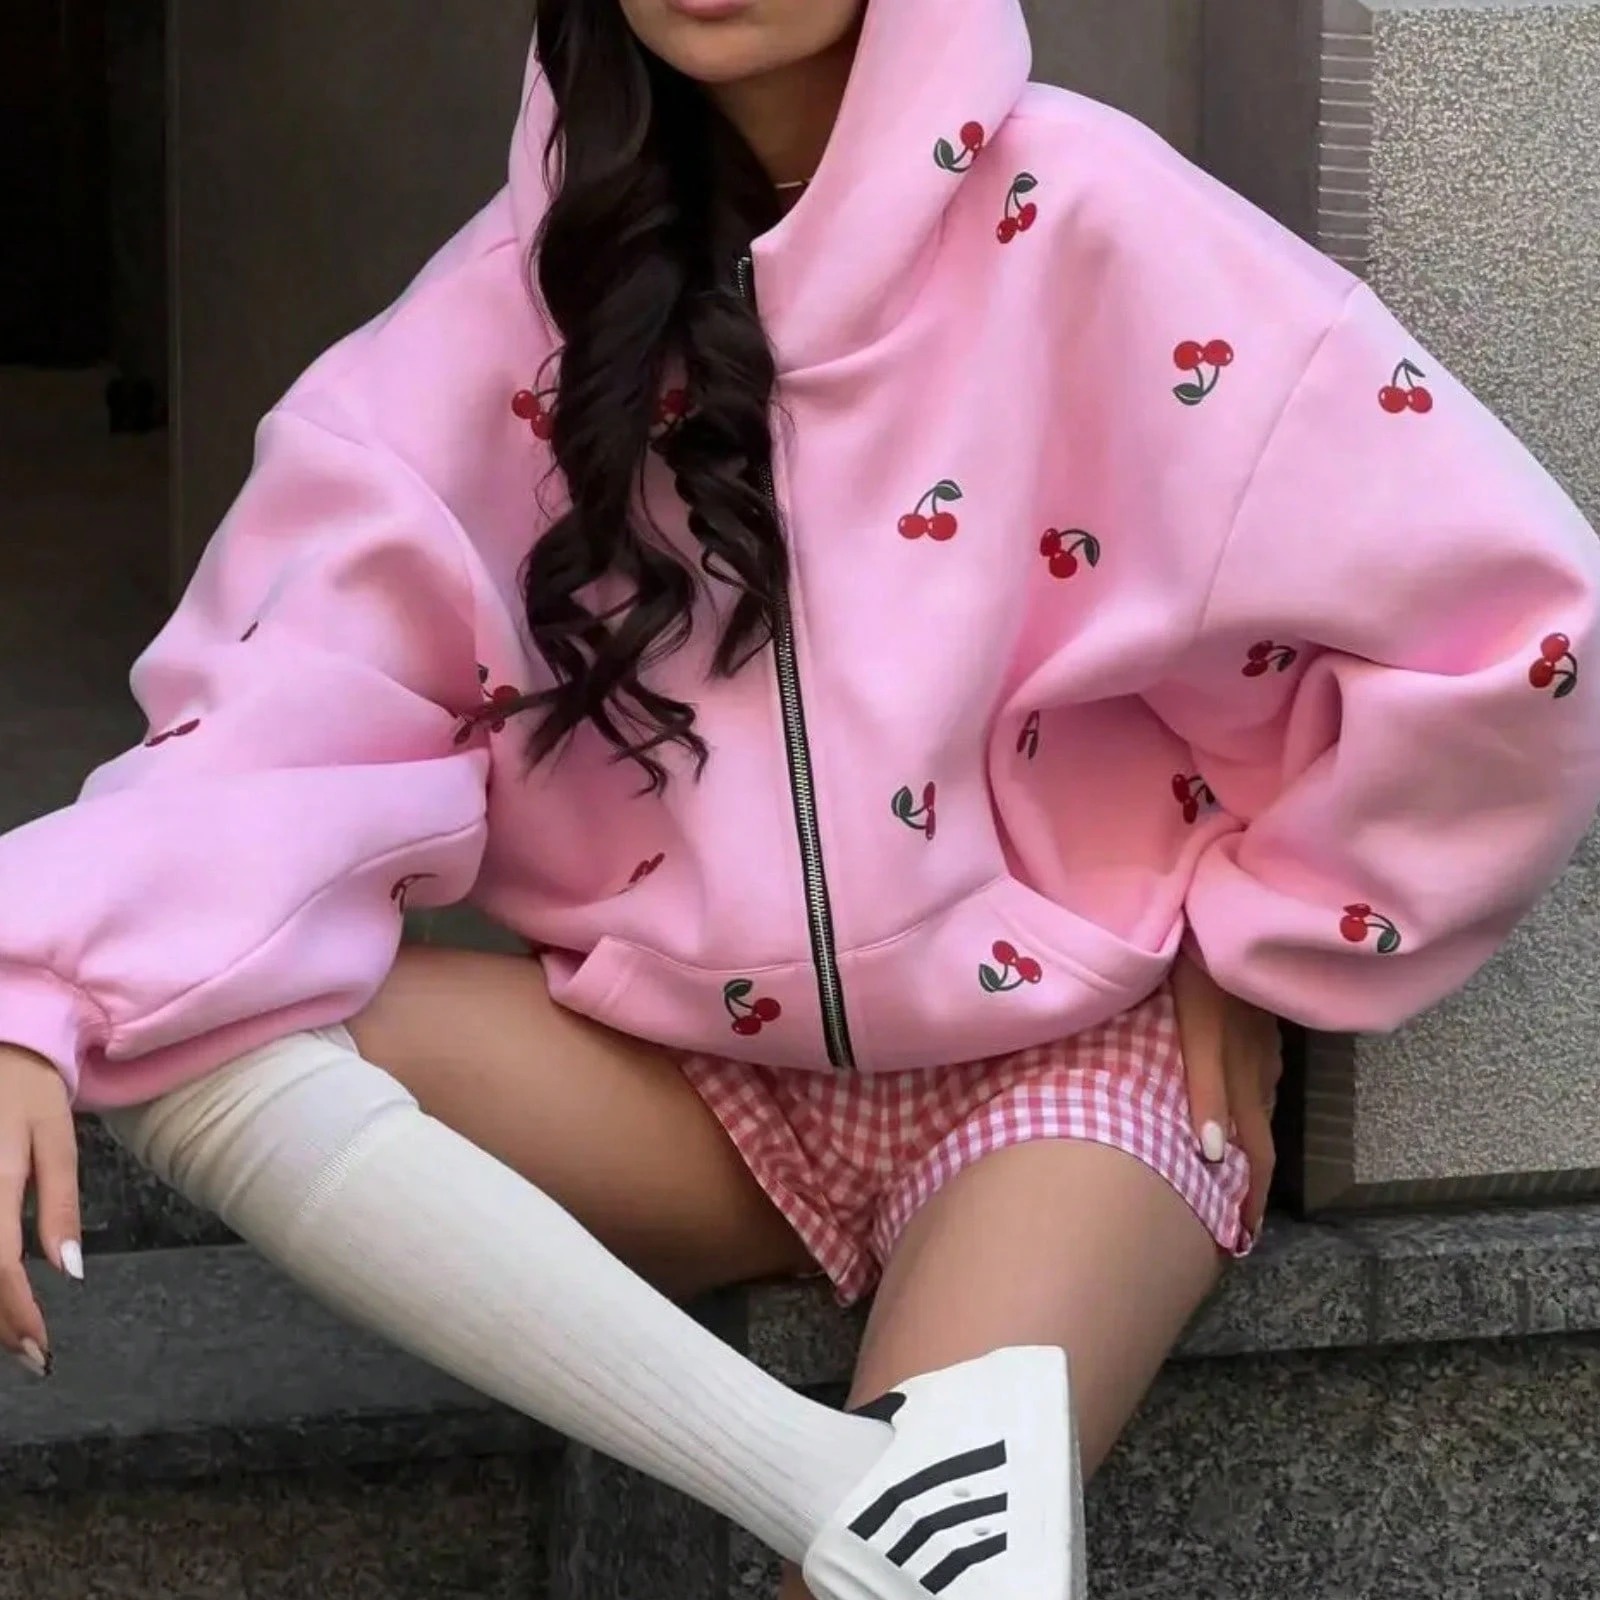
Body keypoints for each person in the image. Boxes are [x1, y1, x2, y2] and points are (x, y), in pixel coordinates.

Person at [3, 0, 1597, 1593]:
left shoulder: (1094, 217)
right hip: (691, 1083)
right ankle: (815, 1479)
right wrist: (27, 991)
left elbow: (1515, 629)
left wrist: (1257, 939)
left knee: (913, 1590)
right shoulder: (523, 294)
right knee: (176, 1012)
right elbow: (275, 705)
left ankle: (872, 1524)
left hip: (1061, 1072)